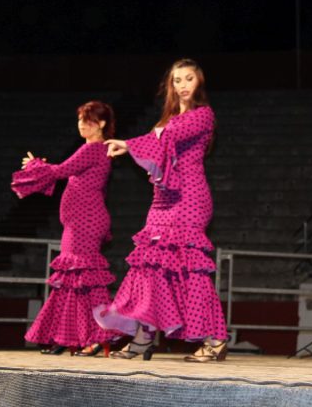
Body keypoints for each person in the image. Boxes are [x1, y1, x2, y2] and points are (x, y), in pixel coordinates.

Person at [95, 58, 228, 362]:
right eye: (177, 80)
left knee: (190, 271)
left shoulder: (203, 116)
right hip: (162, 201)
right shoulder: (165, 119)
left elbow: (167, 139)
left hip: (190, 198)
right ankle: (143, 337)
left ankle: (215, 338)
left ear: (199, 82)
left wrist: (128, 144)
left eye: (189, 79)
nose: (182, 85)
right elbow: (159, 149)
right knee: (148, 269)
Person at [11, 100, 117, 357]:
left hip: (86, 223)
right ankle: (66, 336)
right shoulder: (93, 149)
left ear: (101, 124)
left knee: (86, 283)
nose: (81, 125)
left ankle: (100, 336)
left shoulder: (94, 149)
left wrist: (36, 165)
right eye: (80, 120)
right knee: (70, 283)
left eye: (87, 120)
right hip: (80, 222)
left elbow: (61, 170)